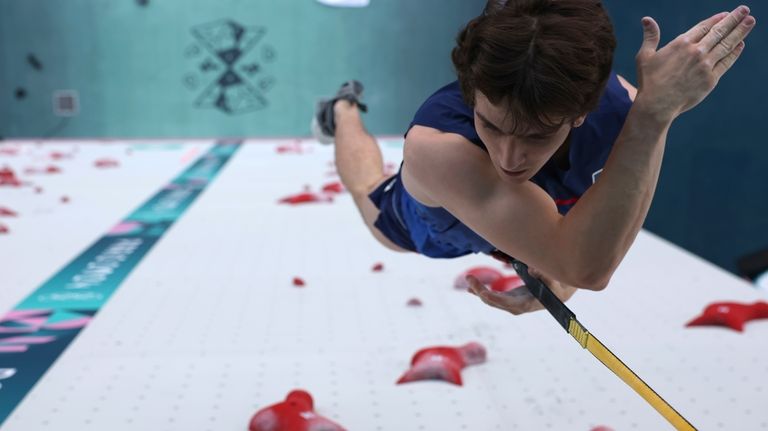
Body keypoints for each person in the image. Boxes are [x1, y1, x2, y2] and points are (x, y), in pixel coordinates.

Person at [311, 0, 756, 315]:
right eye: (492, 125)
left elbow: (593, 250)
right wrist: (655, 119)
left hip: (529, 218)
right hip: (432, 224)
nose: (509, 159)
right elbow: (589, 269)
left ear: (581, 114)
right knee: (369, 197)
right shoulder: (439, 148)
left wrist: (560, 273)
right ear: (472, 96)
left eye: (537, 135)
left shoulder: (629, 113)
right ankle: (343, 109)